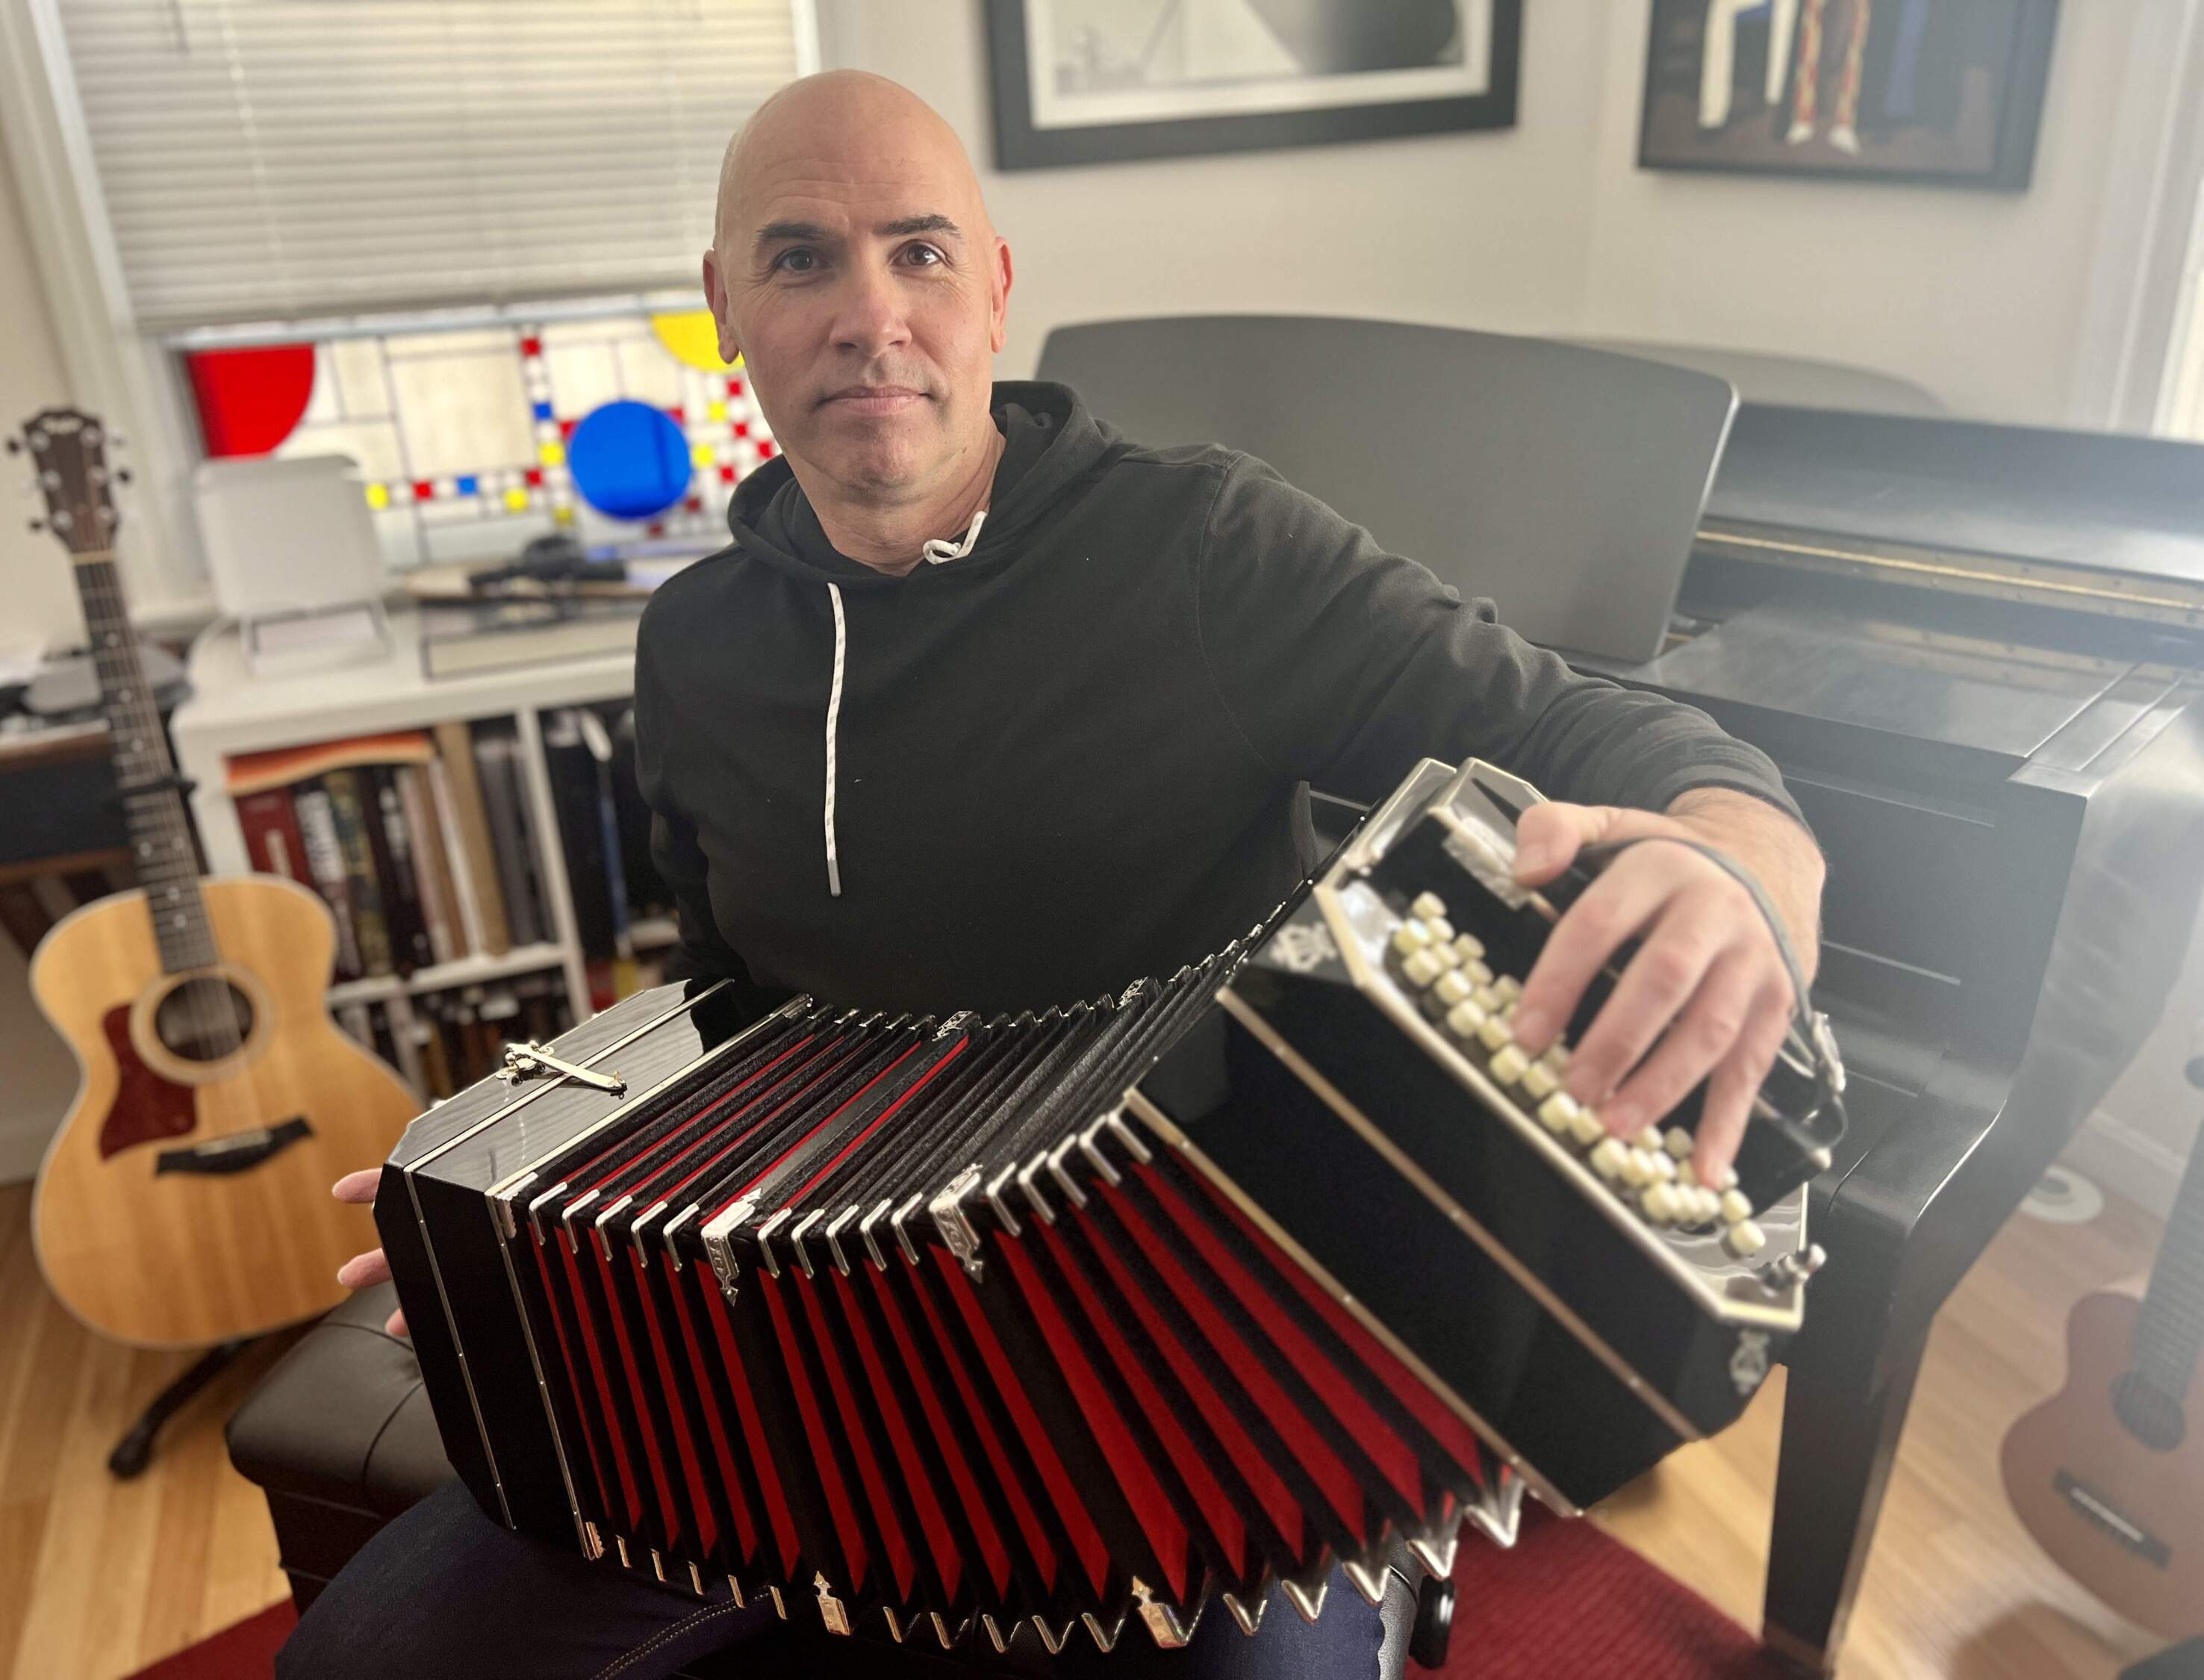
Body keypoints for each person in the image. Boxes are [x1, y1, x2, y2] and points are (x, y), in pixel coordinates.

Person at [293, 69, 1825, 1680]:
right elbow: (719, 1011)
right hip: (824, 1339)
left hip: (1213, 1353)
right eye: (803, 259)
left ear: (998, 289)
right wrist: (519, 1221)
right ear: (726, 305)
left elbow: (1604, 733)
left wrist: (1740, 862)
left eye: (922, 252)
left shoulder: (1210, 554)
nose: (870, 315)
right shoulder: (693, 649)